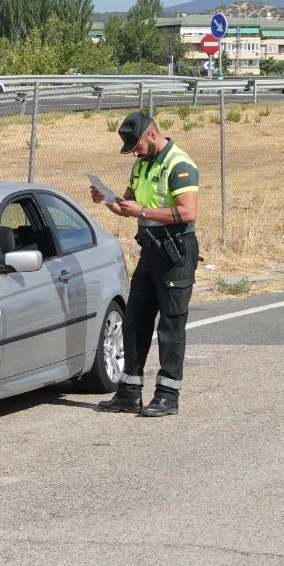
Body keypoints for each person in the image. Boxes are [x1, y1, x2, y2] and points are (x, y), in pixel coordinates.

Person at [90, 111, 200, 417]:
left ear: (152, 135)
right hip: (150, 251)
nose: (134, 152)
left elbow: (187, 212)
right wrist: (108, 200)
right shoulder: (142, 164)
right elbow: (128, 207)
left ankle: (167, 395)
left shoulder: (179, 164)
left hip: (175, 252)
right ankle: (129, 392)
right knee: (135, 319)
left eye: (136, 145)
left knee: (171, 324)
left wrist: (142, 212)